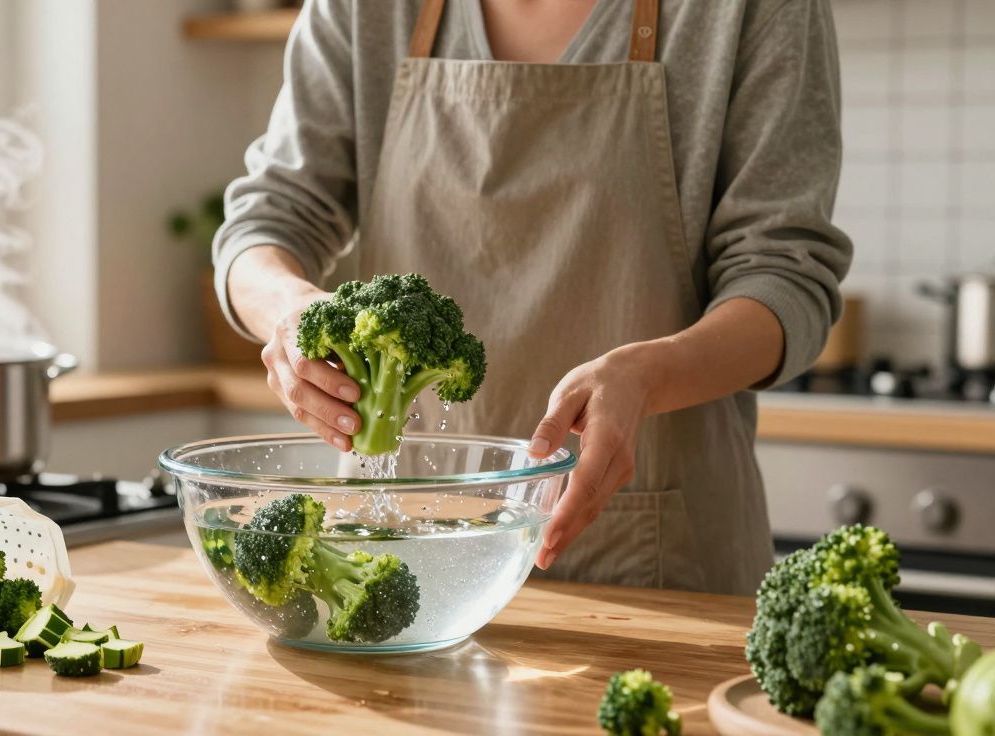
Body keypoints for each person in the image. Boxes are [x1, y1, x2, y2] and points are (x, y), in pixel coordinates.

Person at [212, 0, 851, 595]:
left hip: (661, 565)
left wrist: (648, 377)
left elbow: (784, 275)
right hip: (405, 549)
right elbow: (267, 221)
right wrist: (292, 313)